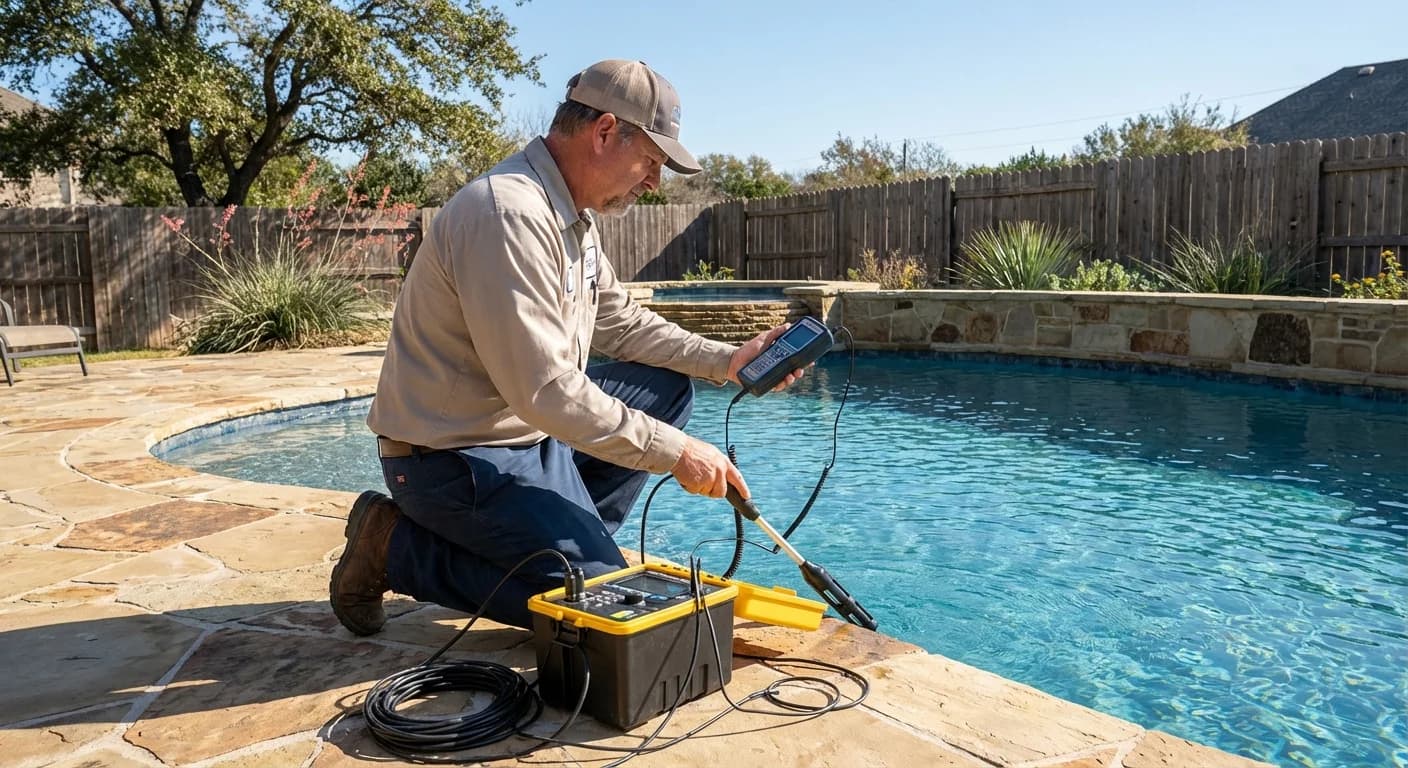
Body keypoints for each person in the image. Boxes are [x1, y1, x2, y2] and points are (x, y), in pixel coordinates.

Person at [330, 59, 805, 634]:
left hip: (524, 438)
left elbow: (620, 321)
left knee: (667, 390)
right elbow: (546, 389)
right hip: (452, 460)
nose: (654, 181)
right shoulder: (508, 214)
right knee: (592, 614)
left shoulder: (571, 215)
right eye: (651, 161)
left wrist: (725, 361)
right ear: (605, 132)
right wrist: (677, 452)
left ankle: (566, 544)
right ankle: (394, 548)